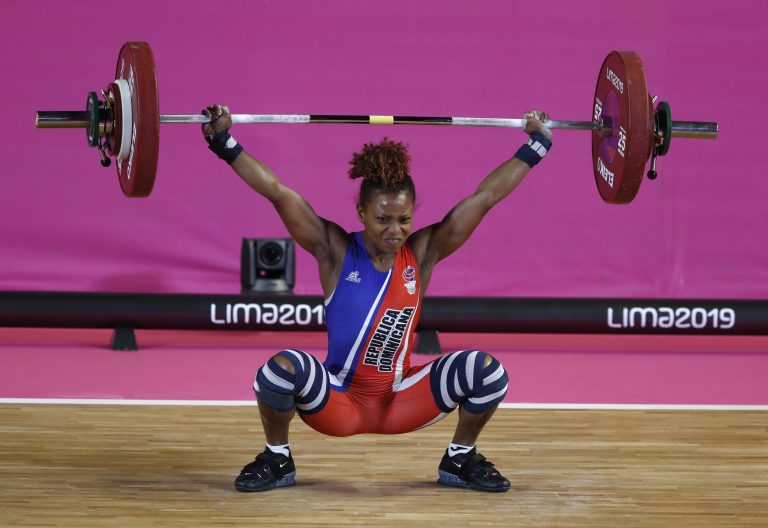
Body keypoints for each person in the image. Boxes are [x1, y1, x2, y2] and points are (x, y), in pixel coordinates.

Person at [202, 105, 552, 493]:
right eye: (383, 219)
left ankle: (459, 459)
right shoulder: (333, 249)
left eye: (404, 219)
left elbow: (485, 197)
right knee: (277, 371)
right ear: (362, 213)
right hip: (337, 401)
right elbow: (278, 192)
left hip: (399, 401)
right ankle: (278, 459)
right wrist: (224, 143)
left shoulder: (422, 253)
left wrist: (537, 145)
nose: (395, 230)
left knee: (488, 373)